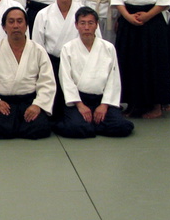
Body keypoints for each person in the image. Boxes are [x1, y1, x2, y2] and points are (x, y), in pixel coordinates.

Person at [55, 7, 134, 138]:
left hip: (101, 99)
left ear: (96, 25)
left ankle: (91, 125)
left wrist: (104, 105)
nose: (86, 27)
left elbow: (113, 79)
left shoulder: (108, 48)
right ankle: (91, 125)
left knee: (122, 127)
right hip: (79, 100)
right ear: (76, 25)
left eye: (90, 23)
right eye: (82, 23)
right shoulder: (68, 48)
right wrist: (80, 105)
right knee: (77, 128)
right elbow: (66, 79)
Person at [0, 7, 56, 139]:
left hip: (29, 101)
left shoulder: (38, 50)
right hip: (4, 102)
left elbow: (47, 82)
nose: (16, 26)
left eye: (20, 21)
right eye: (11, 22)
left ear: (26, 26)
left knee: (39, 129)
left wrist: (37, 105)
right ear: (4, 26)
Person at [31, 0, 85, 117]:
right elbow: (37, 47)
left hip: (77, 64)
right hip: (52, 64)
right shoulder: (43, 14)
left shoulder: (84, 13)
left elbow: (94, 41)